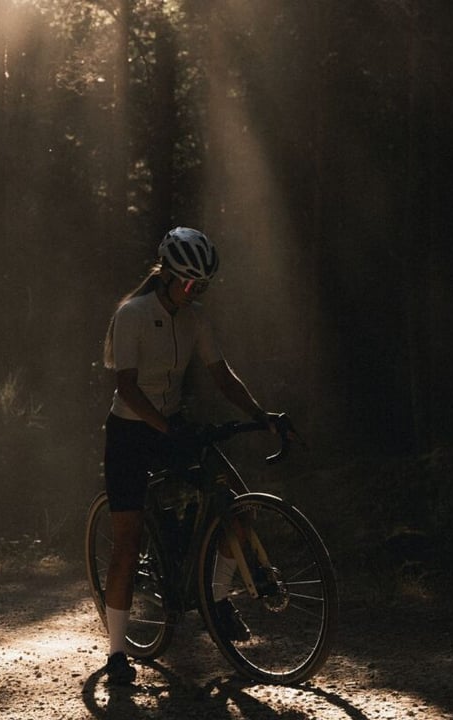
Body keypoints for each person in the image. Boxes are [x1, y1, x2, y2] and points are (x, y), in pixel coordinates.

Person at [99, 227, 279, 685]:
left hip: (171, 424)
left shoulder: (195, 318)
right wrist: (166, 428)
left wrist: (261, 414)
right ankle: (117, 653)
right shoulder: (132, 314)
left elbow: (222, 375)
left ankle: (216, 600)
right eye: (188, 283)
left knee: (238, 509)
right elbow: (127, 387)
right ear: (166, 274)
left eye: (202, 286)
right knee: (127, 542)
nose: (194, 291)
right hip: (130, 431)